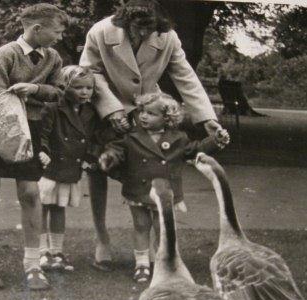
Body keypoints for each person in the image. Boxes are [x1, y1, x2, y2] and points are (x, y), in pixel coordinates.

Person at [79, 0, 226, 271]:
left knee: (154, 167)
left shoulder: (167, 37)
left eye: (150, 30)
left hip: (146, 107)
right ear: (124, 22)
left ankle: (162, 247)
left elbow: (186, 77)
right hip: (104, 105)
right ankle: (102, 238)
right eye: (137, 30)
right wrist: (111, 109)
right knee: (97, 170)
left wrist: (207, 119)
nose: (143, 36)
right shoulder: (100, 32)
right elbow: (90, 73)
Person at [0, 3, 68, 290]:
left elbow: (58, 92)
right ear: (37, 29)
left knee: (30, 192)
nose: (59, 37)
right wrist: (15, 111)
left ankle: (33, 265)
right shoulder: (5, 55)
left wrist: (35, 90)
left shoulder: (53, 58)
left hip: (31, 129)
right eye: (56, 31)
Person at [99, 92, 230, 282]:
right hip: (139, 190)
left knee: (163, 228)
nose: (143, 116)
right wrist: (109, 157)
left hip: (166, 192)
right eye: (142, 111)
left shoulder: (178, 138)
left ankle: (165, 261)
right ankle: (142, 264)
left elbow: (195, 150)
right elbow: (118, 150)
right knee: (141, 226)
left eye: (151, 113)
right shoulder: (131, 136)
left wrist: (215, 140)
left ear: (167, 118)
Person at [38, 65, 99, 272]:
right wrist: (43, 150)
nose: (84, 92)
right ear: (65, 87)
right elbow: (43, 133)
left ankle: (57, 251)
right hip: (50, 165)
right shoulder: (53, 108)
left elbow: (92, 137)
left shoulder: (89, 112)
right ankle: (41, 251)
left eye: (89, 88)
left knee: (59, 207)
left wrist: (89, 156)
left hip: (71, 166)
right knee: (42, 206)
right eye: (78, 87)